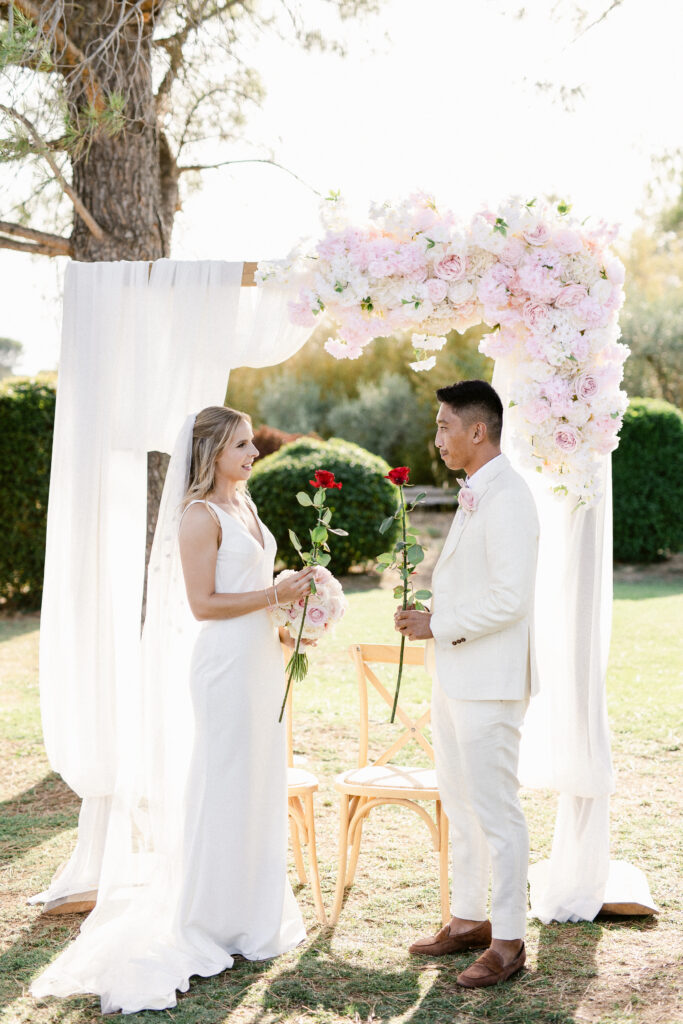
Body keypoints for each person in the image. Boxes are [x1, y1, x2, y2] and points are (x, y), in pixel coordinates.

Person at [31, 406, 314, 1014]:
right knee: (223, 782)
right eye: (241, 445)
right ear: (212, 451)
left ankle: (251, 912)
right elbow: (204, 604)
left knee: (259, 781)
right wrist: (276, 593)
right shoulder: (197, 516)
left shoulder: (249, 507)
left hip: (262, 662)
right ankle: (209, 915)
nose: (252, 453)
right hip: (224, 667)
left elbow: (256, 590)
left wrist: (291, 622)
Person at [394, 380, 539, 989]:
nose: (438, 439)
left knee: (497, 812)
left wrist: (439, 623)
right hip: (457, 678)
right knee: (461, 805)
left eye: (444, 426)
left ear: (477, 431)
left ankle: (507, 941)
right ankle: (470, 919)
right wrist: (432, 608)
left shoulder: (507, 497)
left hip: (490, 682)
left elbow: (510, 599)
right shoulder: (478, 493)